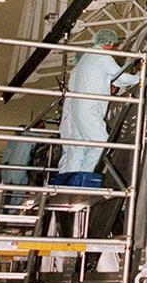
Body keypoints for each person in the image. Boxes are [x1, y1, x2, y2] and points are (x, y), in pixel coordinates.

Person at [57, 29, 139, 176]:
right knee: (101, 143)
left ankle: (69, 182)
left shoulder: (85, 59)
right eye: (112, 45)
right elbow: (120, 77)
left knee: (78, 148)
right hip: (89, 109)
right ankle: (84, 179)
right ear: (109, 43)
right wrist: (139, 77)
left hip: (77, 110)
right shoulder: (102, 57)